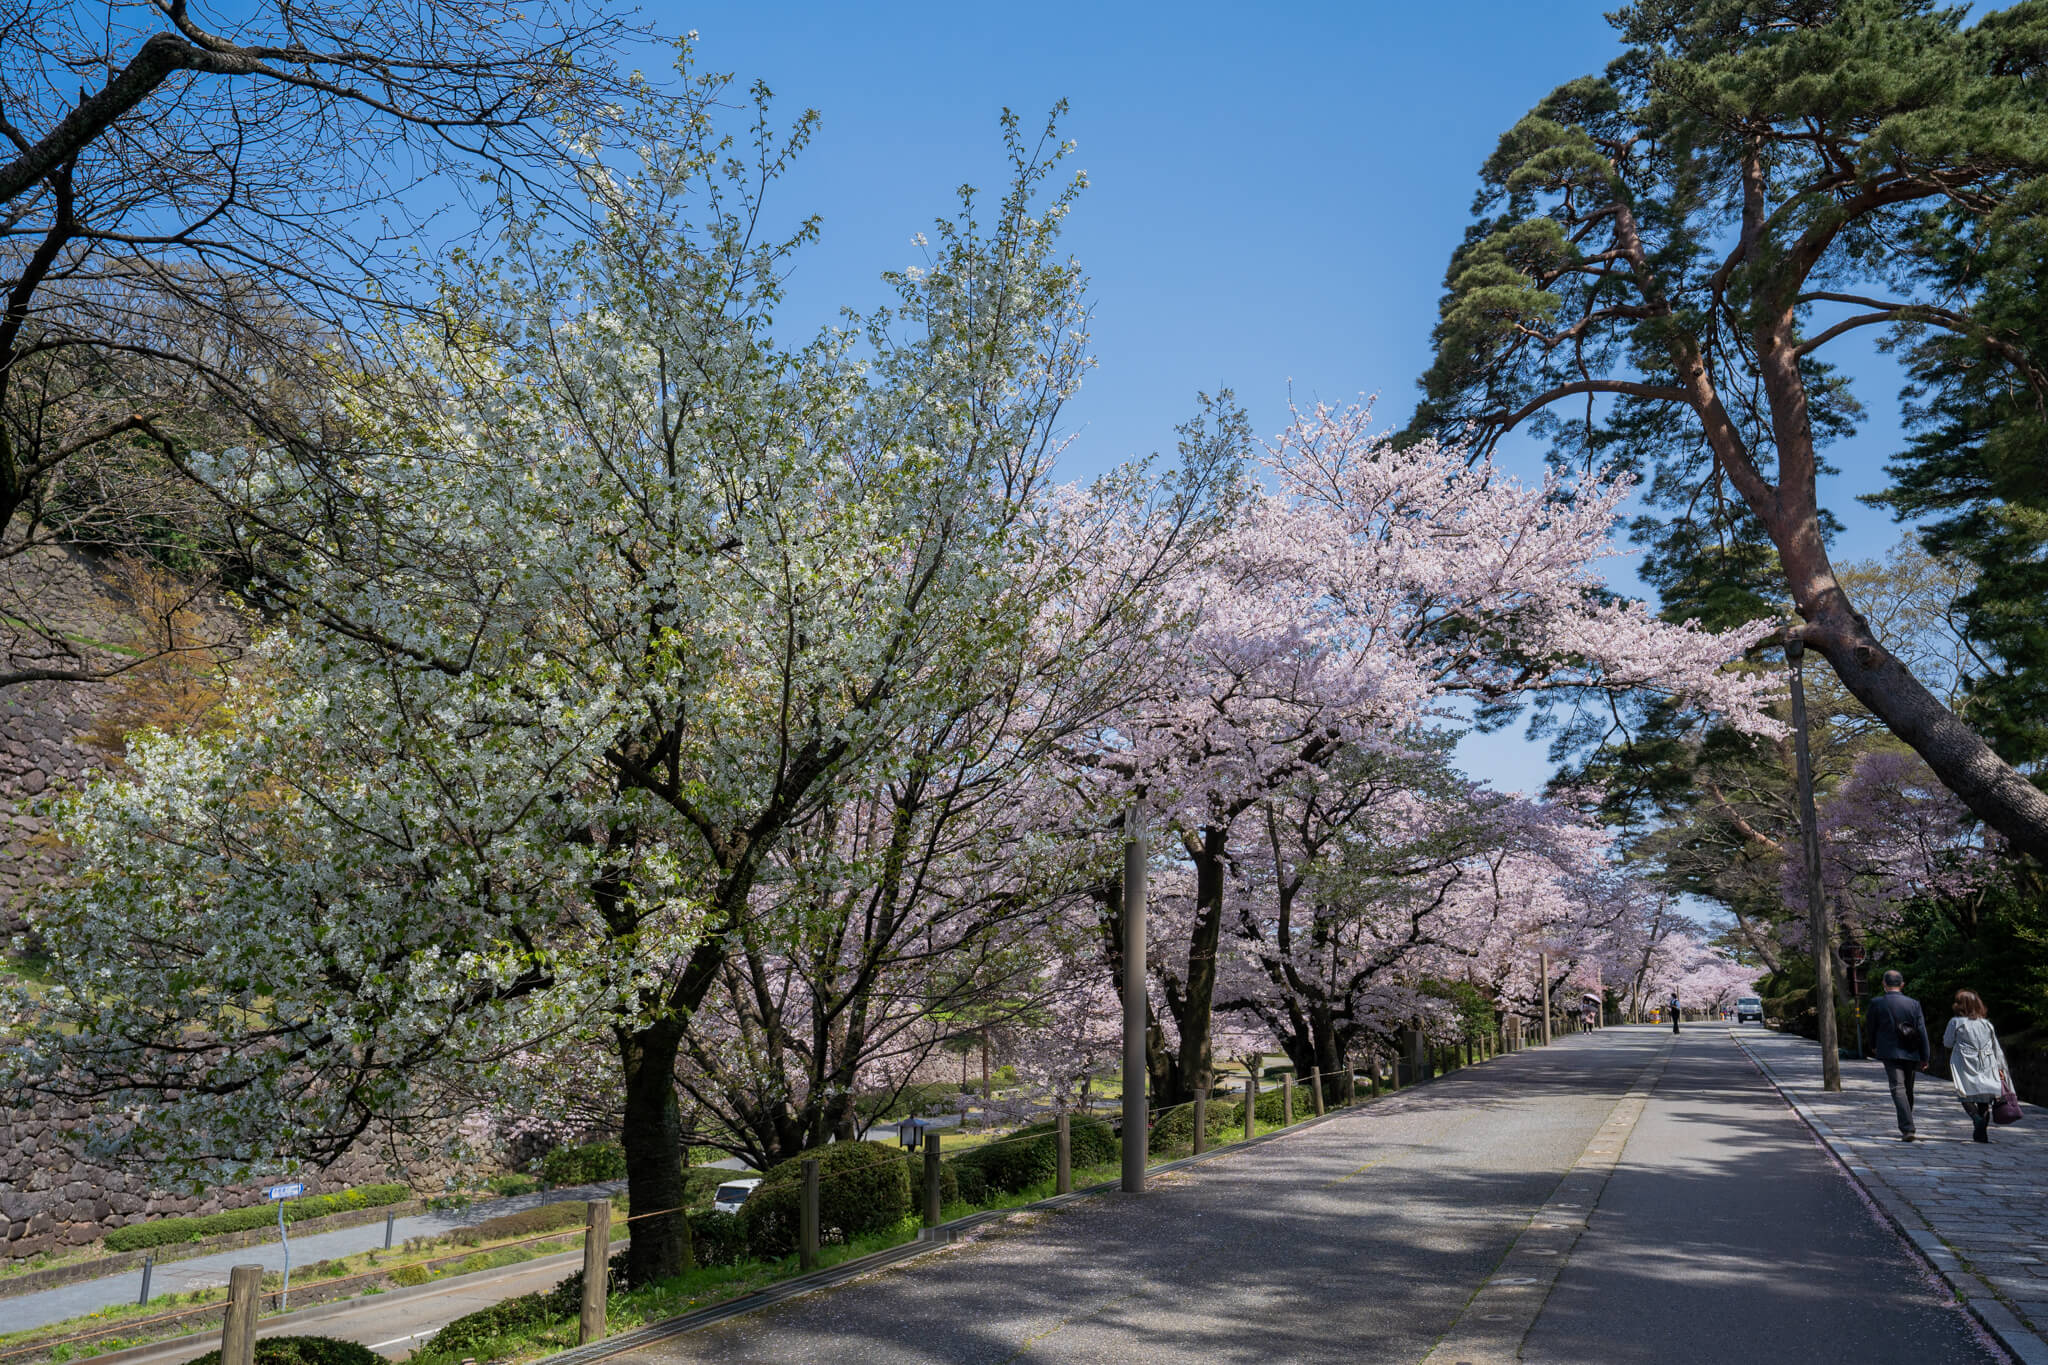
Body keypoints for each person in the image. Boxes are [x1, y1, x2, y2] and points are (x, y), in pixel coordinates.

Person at [1865, 969, 1932, 1141]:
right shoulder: (1913, 1004)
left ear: (1884, 984)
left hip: (1890, 1050)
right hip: (1911, 1050)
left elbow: (1871, 1027)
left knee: (1898, 1087)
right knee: (1907, 1088)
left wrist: (1872, 1046)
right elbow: (1922, 1030)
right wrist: (1925, 1055)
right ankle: (1907, 1123)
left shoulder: (1877, 1003)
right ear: (1902, 984)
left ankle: (1907, 1127)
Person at [1944, 989, 2011, 1144]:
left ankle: (1977, 1119)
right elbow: (1996, 1048)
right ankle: (1982, 1135)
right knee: (1984, 1097)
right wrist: (2001, 1068)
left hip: (1964, 1062)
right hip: (1986, 1062)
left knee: (1965, 1093)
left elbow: (1947, 1043)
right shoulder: (1986, 1024)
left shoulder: (1955, 1022)